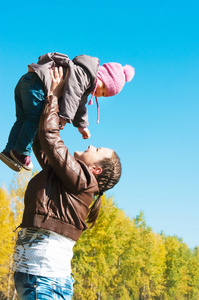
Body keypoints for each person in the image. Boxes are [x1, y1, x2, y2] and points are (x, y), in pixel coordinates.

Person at [12, 68, 122, 299]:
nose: (92, 146)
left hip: (45, 280)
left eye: (97, 150)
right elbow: (42, 142)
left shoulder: (84, 181)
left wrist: (54, 95)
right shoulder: (69, 178)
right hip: (38, 278)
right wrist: (36, 98)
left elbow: (50, 137)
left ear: (96, 169)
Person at [0, 52, 134, 172]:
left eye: (104, 94)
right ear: (101, 75)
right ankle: (21, 152)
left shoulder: (84, 80)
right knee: (34, 119)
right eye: (103, 87)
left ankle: (9, 151)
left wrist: (82, 126)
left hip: (27, 82)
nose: (100, 92)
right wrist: (64, 117)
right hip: (38, 85)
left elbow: (79, 106)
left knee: (23, 119)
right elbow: (73, 94)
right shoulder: (84, 74)